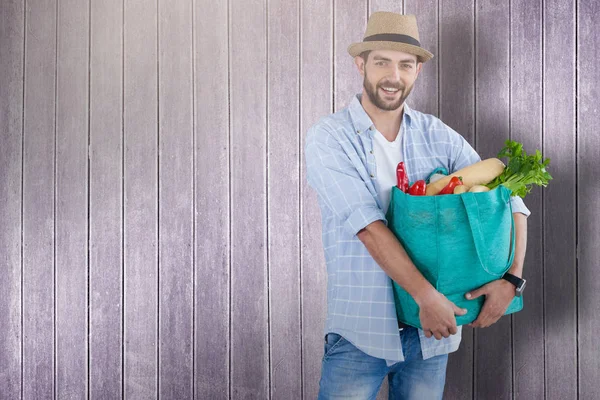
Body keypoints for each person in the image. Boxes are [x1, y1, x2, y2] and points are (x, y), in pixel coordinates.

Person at [304, 12, 530, 399]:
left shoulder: (436, 134)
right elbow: (369, 228)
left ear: (417, 71)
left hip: (431, 337)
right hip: (361, 331)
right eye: (381, 62)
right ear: (361, 64)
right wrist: (426, 297)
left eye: (405, 64)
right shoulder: (331, 137)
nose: (393, 76)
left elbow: (511, 202)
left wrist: (512, 279)